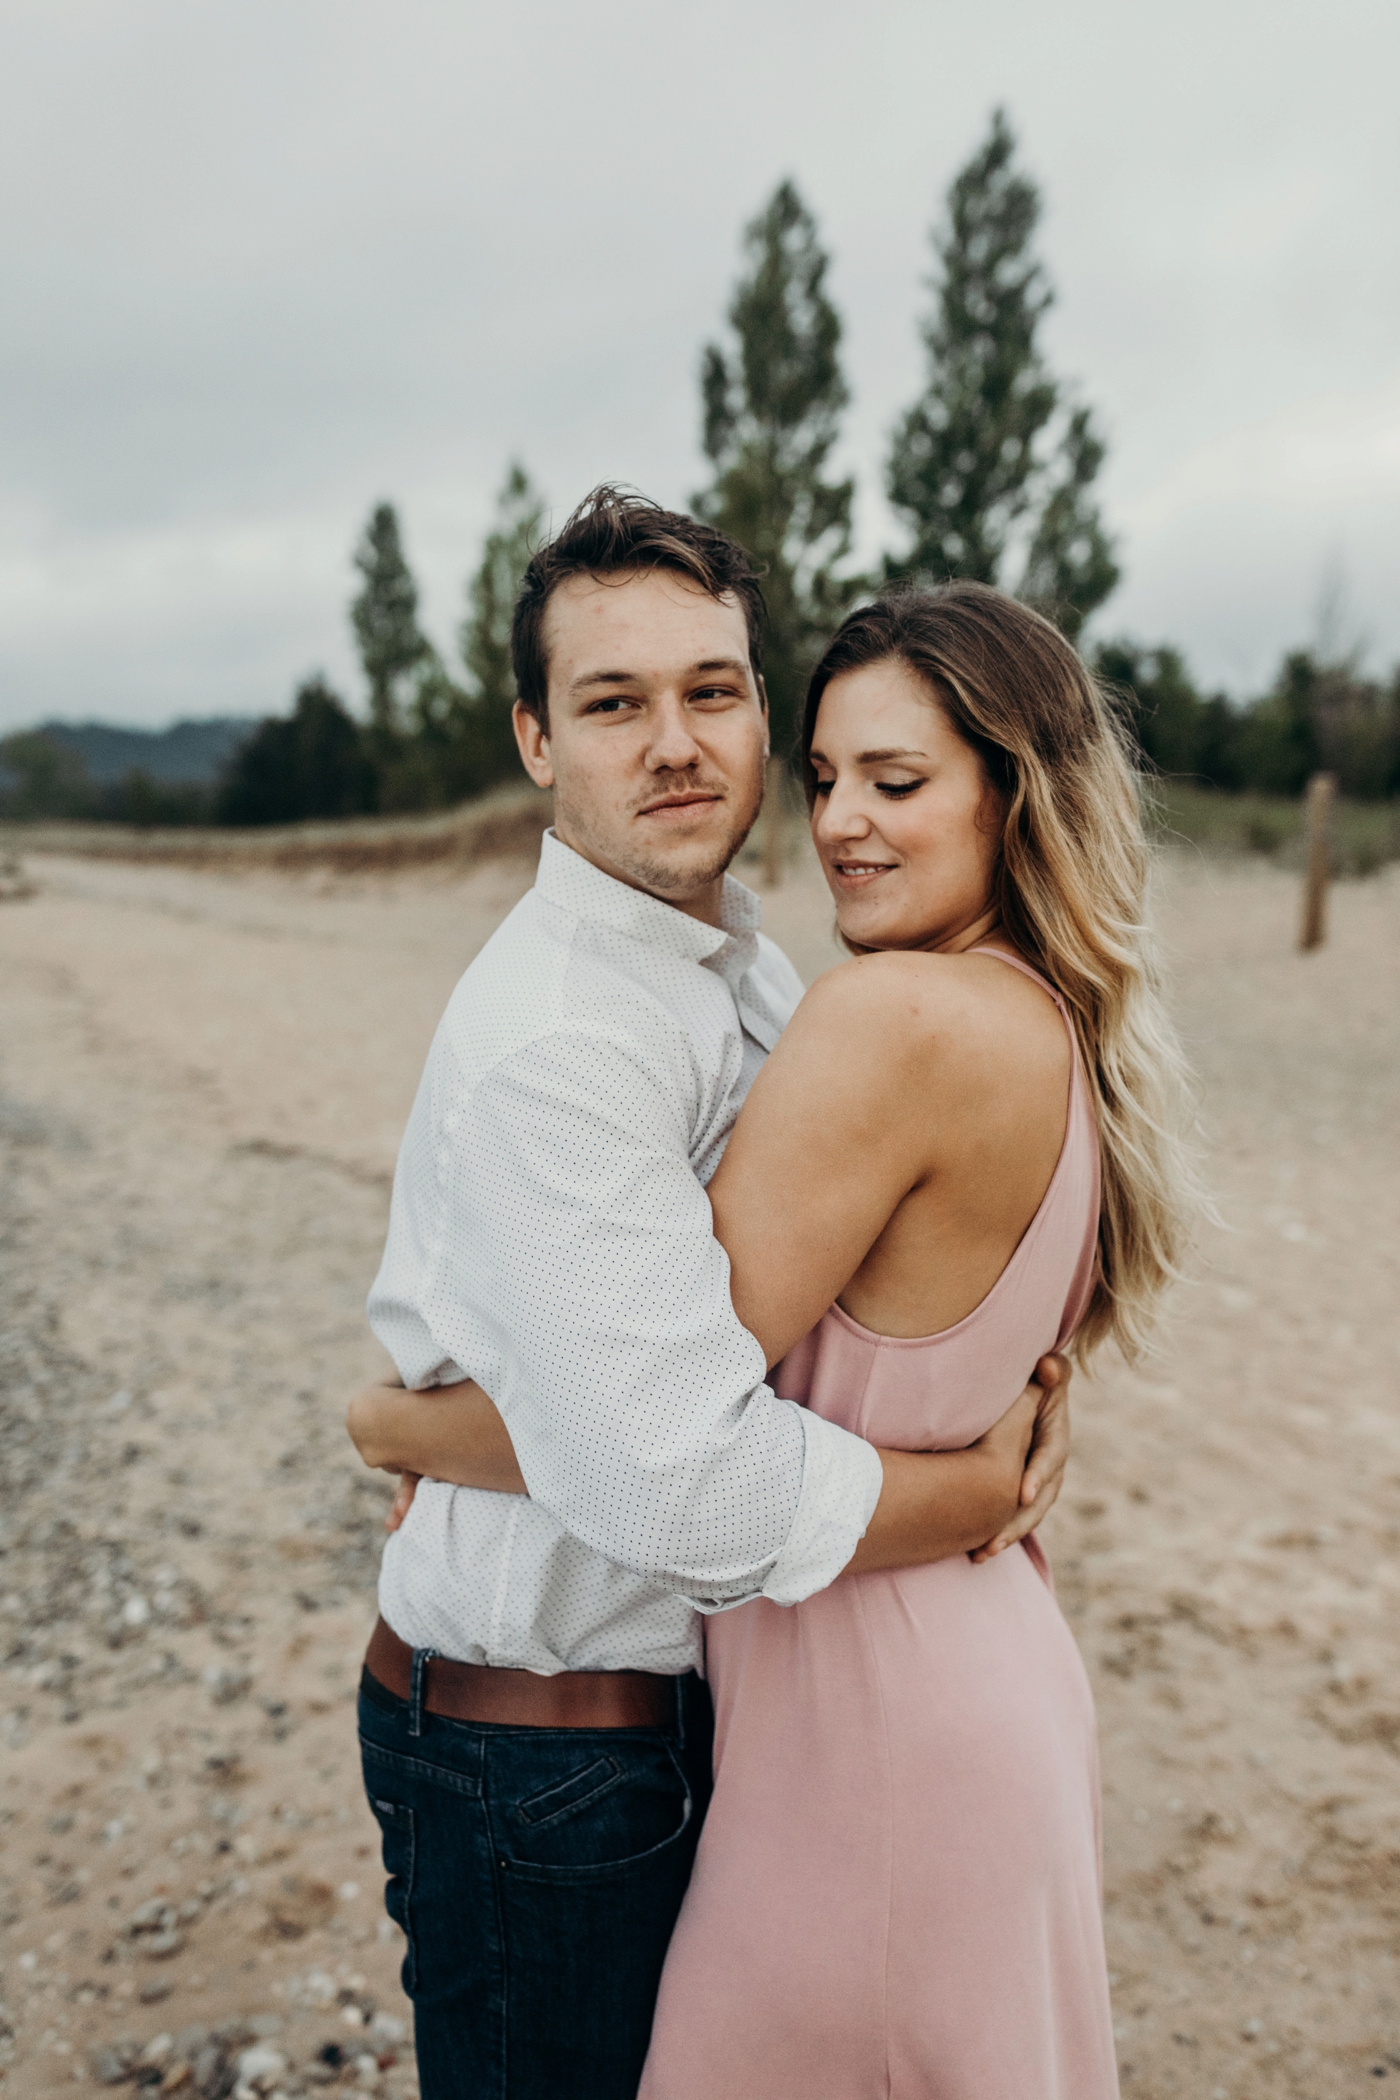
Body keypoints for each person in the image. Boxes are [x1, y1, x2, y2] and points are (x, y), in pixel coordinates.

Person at [356, 579, 1197, 2097]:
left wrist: (395, 1427)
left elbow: (653, 1437)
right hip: (967, 1667)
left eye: (898, 780)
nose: (844, 824)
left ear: (1017, 794)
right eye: (828, 779)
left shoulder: (879, 1020)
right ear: (537, 739)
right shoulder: (1039, 1015)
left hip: (875, 1722)